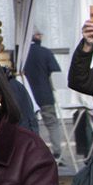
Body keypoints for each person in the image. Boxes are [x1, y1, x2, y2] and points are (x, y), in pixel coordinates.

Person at [21, 30, 72, 168]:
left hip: (27, 95)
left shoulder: (20, 54)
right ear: (37, 36)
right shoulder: (45, 52)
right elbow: (56, 75)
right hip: (45, 95)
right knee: (52, 124)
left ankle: (33, 154)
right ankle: (57, 154)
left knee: (30, 125)